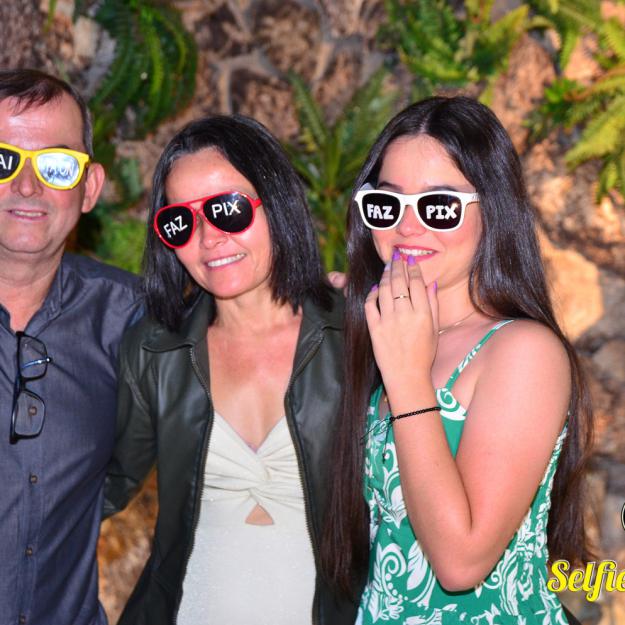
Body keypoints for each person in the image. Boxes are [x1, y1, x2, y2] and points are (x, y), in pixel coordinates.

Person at [323, 96, 593, 624]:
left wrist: (407, 377)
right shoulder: (388, 331)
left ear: (492, 210)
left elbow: (461, 562)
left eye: (438, 206)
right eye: (387, 203)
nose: (407, 227)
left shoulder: (523, 351)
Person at [103, 114, 358, 625]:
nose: (209, 237)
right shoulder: (155, 351)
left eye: (228, 210)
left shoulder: (359, 334)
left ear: (276, 202)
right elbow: (98, 490)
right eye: (181, 221)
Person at [0, 69, 141, 625]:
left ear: (89, 187)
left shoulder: (129, 317)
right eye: (3, 161)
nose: (26, 186)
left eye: (55, 166)